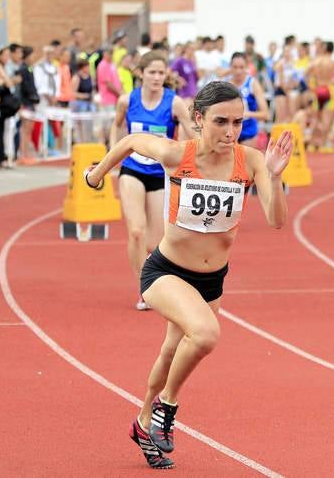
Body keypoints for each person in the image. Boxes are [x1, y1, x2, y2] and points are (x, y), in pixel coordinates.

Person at [84, 80, 293, 470]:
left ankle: (143, 422)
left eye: (237, 122)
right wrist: (96, 175)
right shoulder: (178, 153)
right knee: (206, 334)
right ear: (199, 119)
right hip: (165, 271)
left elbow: (276, 220)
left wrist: (276, 177)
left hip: (212, 280)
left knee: (171, 351)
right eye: (220, 122)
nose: (230, 132)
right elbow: (130, 141)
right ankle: (167, 407)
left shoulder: (251, 161)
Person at [108, 51, 194, 311]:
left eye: (161, 73)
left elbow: (192, 133)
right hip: (132, 169)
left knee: (154, 243)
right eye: (152, 72)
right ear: (141, 73)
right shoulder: (127, 100)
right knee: (136, 232)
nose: (157, 77)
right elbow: (116, 126)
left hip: (160, 174)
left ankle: (157, 281)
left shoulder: (174, 103)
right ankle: (144, 289)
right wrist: (112, 156)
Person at [305, 41, 334, 152]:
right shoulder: (333, 62)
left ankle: (312, 144)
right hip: (329, 90)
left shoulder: (316, 62)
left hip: (317, 90)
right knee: (326, 120)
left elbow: (305, 73)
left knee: (315, 119)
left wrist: (311, 87)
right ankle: (323, 144)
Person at [228, 52, 269, 147]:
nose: (238, 71)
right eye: (235, 67)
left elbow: (265, 114)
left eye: (241, 67)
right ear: (230, 67)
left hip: (248, 132)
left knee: (244, 153)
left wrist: (246, 114)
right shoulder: (226, 85)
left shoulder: (252, 83)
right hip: (230, 132)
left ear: (246, 67)